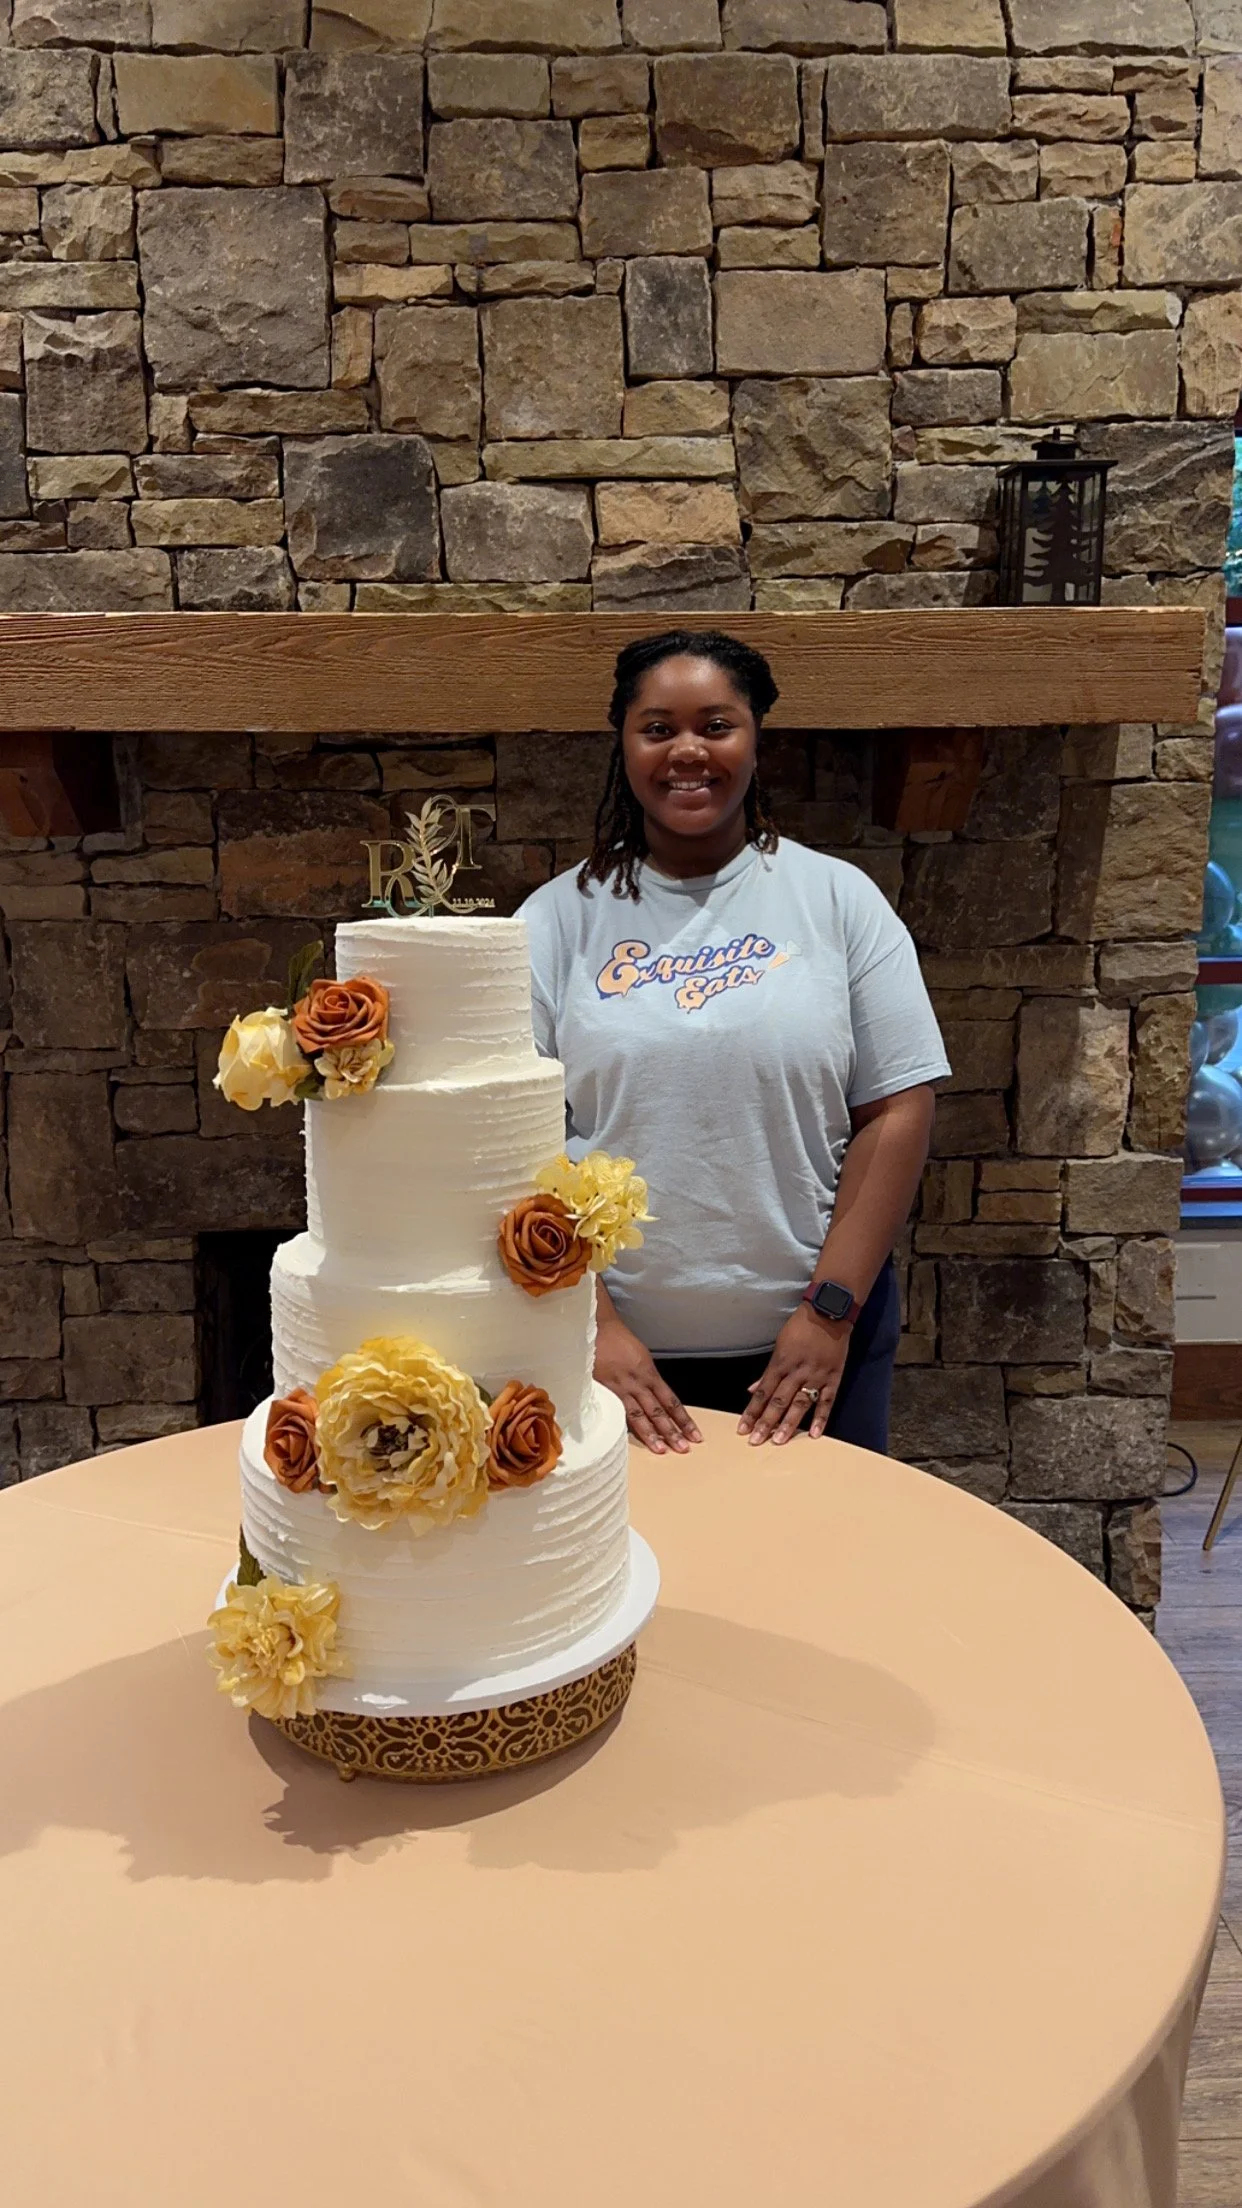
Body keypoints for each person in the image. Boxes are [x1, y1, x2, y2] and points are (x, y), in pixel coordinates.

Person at [520, 629, 950, 1454]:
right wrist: (590, 1325)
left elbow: (898, 1107)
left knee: (807, 1573)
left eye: (716, 725)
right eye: (658, 728)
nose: (688, 751)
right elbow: (508, 1143)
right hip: (608, 1358)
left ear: (756, 738)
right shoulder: (554, 921)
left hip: (814, 1348)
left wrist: (830, 1315)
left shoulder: (839, 900)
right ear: (623, 744)